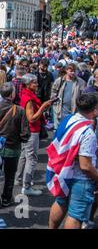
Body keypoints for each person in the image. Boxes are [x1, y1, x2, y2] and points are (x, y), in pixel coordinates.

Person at [48, 94, 98, 229]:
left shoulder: (69, 119)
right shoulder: (88, 132)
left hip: (64, 171)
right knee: (75, 215)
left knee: (60, 202)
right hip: (81, 178)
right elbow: (85, 165)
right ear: (94, 109)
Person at [0, 83, 31, 209]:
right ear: (12, 94)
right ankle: (7, 199)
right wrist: (21, 140)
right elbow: (25, 133)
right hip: (13, 147)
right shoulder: (19, 110)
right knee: (10, 175)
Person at [16, 74, 54, 196]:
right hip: (32, 130)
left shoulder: (26, 94)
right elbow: (31, 118)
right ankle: (26, 186)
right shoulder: (28, 98)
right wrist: (43, 107)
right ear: (27, 84)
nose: (37, 85)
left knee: (24, 155)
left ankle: (19, 179)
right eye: (34, 83)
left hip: (27, 130)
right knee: (31, 158)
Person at [51, 64, 86, 129]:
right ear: (66, 71)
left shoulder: (81, 82)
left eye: (74, 71)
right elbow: (54, 92)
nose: (73, 73)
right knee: (60, 129)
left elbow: (83, 96)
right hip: (61, 110)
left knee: (72, 129)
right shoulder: (60, 80)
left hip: (75, 111)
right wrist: (55, 105)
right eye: (71, 71)